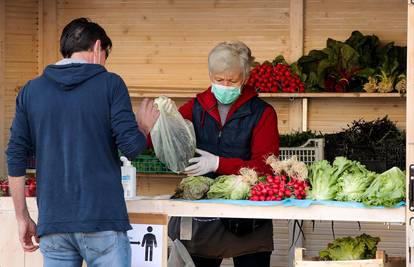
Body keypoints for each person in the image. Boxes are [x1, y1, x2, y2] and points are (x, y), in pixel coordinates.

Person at [6, 18, 159, 267]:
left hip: (53, 223)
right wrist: (143, 126)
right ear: (98, 48)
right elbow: (132, 147)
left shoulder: (31, 91)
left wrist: (22, 217)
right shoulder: (110, 84)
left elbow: (15, 155)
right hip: (103, 220)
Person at [168, 41, 280, 267]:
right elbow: (166, 137)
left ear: (245, 78)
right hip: (203, 216)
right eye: (219, 80)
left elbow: (267, 167)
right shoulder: (195, 107)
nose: (225, 85)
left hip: (249, 217)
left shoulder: (262, 113)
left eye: (233, 80)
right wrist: (150, 127)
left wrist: (218, 163)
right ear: (210, 75)